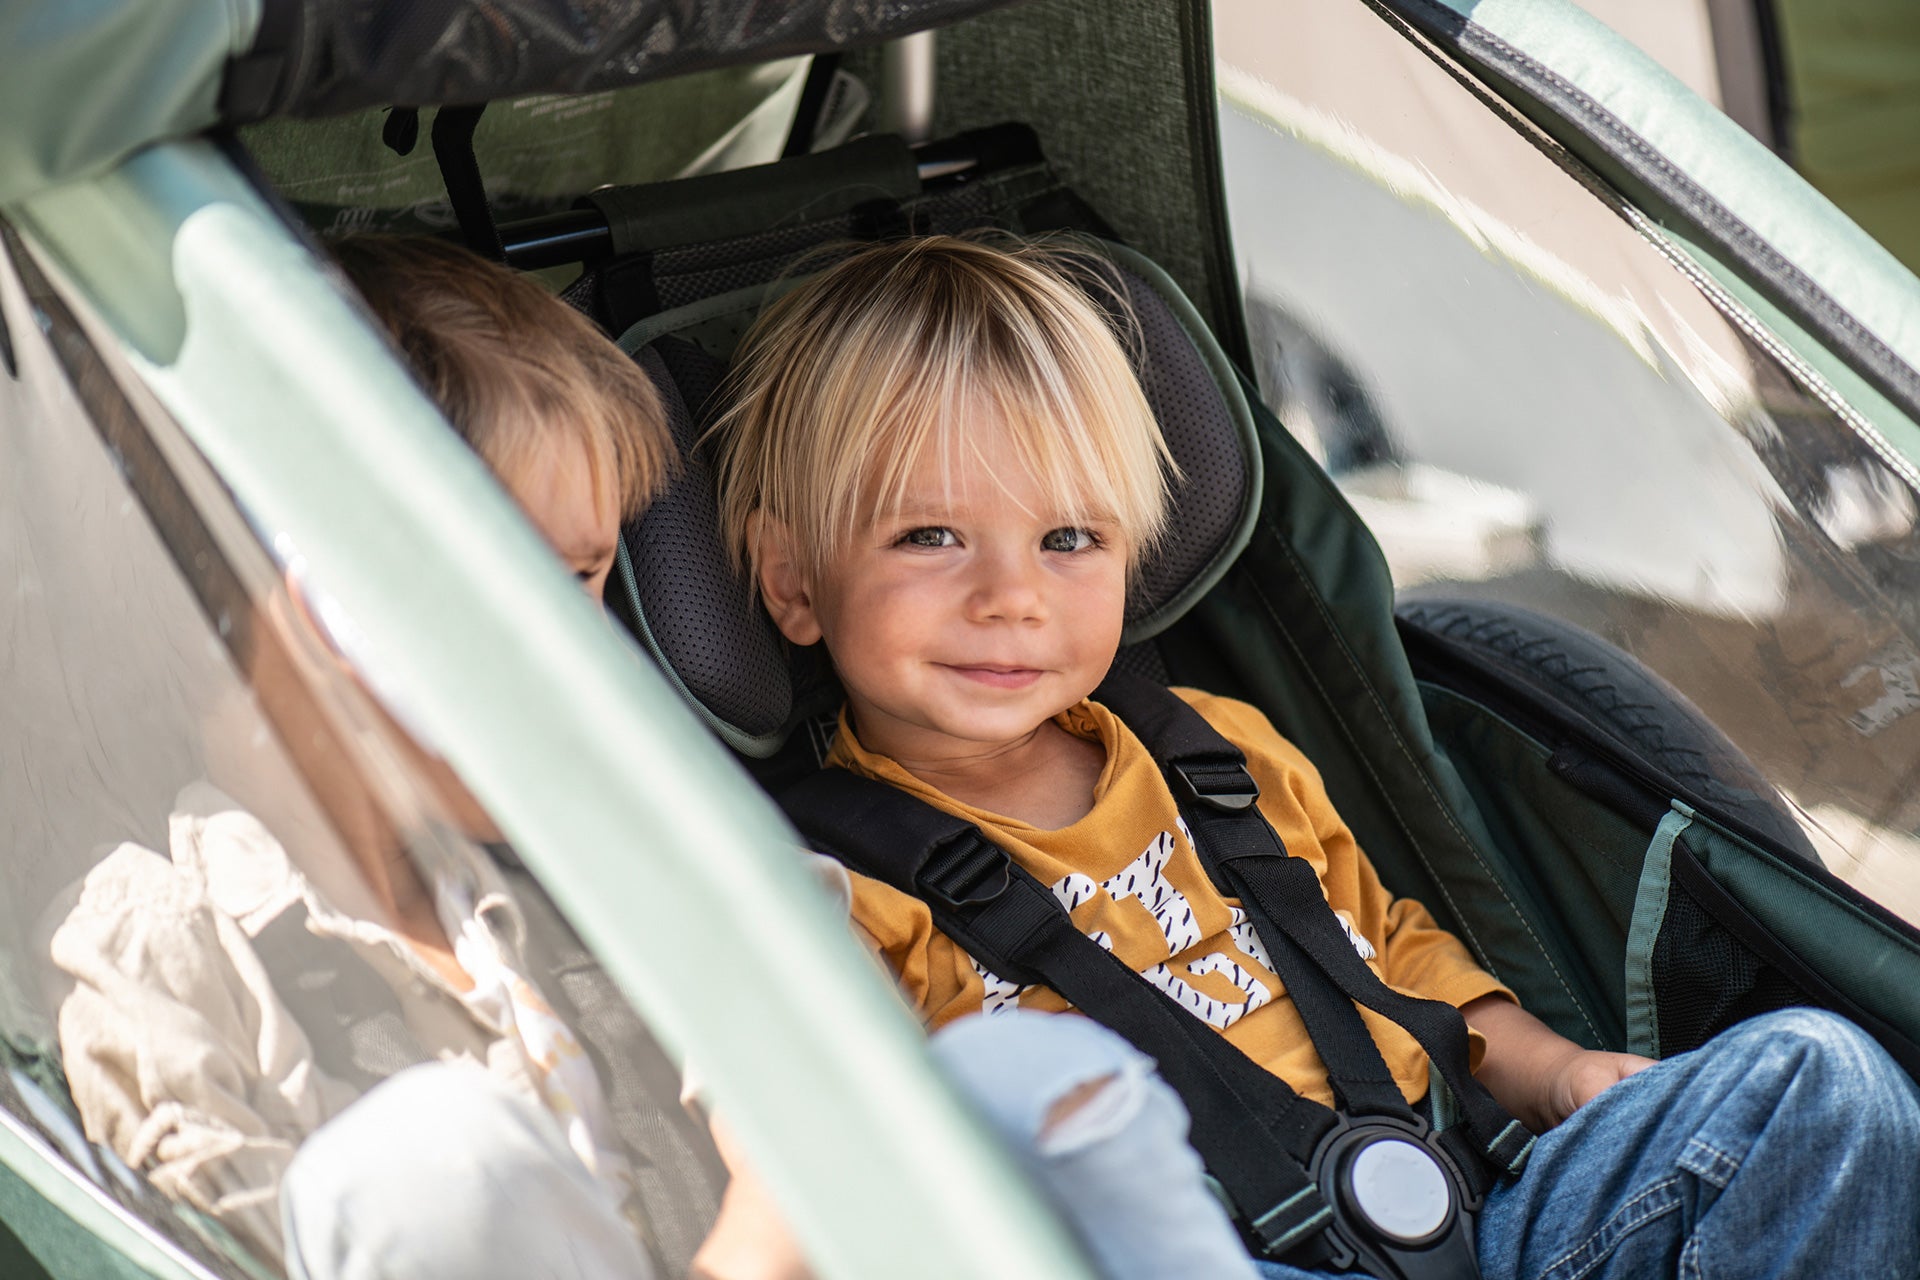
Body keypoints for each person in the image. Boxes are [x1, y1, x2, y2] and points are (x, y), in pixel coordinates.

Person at [707, 233, 1920, 1278]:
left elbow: (1389, 950)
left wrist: (1552, 1075)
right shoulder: (841, 897)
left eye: (1069, 537)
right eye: (930, 535)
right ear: (792, 581)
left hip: (1469, 1212)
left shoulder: (1221, 758)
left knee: (1820, 1079)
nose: (1010, 595)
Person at [42, 234, 697, 1277]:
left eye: (582, 581)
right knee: (431, 1158)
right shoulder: (169, 953)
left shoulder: (612, 868)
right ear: (322, 607)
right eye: (507, 587)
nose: (572, 656)